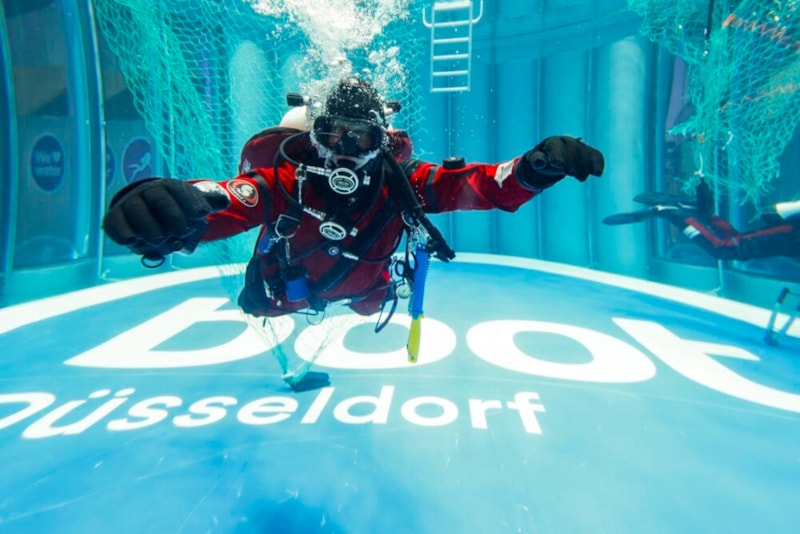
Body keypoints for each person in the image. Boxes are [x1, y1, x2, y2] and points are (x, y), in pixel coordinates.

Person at [103, 76, 605, 322]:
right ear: (314, 135)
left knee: (370, 305)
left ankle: (363, 296)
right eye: (332, 134)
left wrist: (535, 167)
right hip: (288, 291)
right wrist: (174, 205)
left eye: (360, 137)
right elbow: (231, 199)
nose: (344, 149)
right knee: (258, 305)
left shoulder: (403, 181)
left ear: (382, 141)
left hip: (366, 287)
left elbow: (482, 185)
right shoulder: (287, 180)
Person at [603, 187, 800, 261]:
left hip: (793, 233)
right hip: (793, 234)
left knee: (732, 244)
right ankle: (673, 213)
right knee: (725, 249)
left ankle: (698, 211)